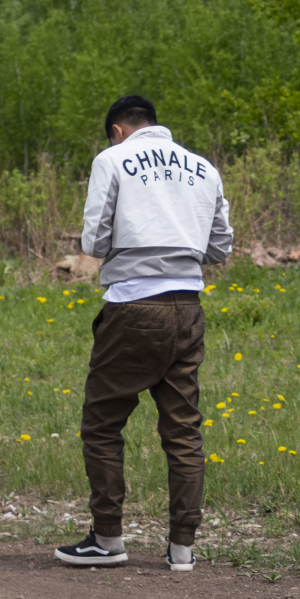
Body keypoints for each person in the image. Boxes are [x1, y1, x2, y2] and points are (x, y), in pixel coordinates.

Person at [56, 95, 232, 572]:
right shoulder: (204, 168)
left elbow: (93, 242)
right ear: (154, 124)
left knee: (103, 423)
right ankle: (182, 549)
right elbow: (219, 247)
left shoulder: (112, 160)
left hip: (133, 305)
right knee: (183, 429)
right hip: (187, 307)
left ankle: (109, 539)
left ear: (117, 130)